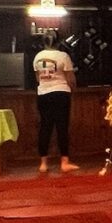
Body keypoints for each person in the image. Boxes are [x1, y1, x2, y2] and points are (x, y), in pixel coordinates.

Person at [31, 39, 79, 173]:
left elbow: (37, 78)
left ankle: (43, 164)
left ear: (44, 42)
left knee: (45, 127)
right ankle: (64, 163)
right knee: (62, 127)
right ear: (58, 43)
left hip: (43, 94)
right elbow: (70, 78)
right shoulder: (63, 56)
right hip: (61, 93)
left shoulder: (38, 57)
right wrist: (73, 89)